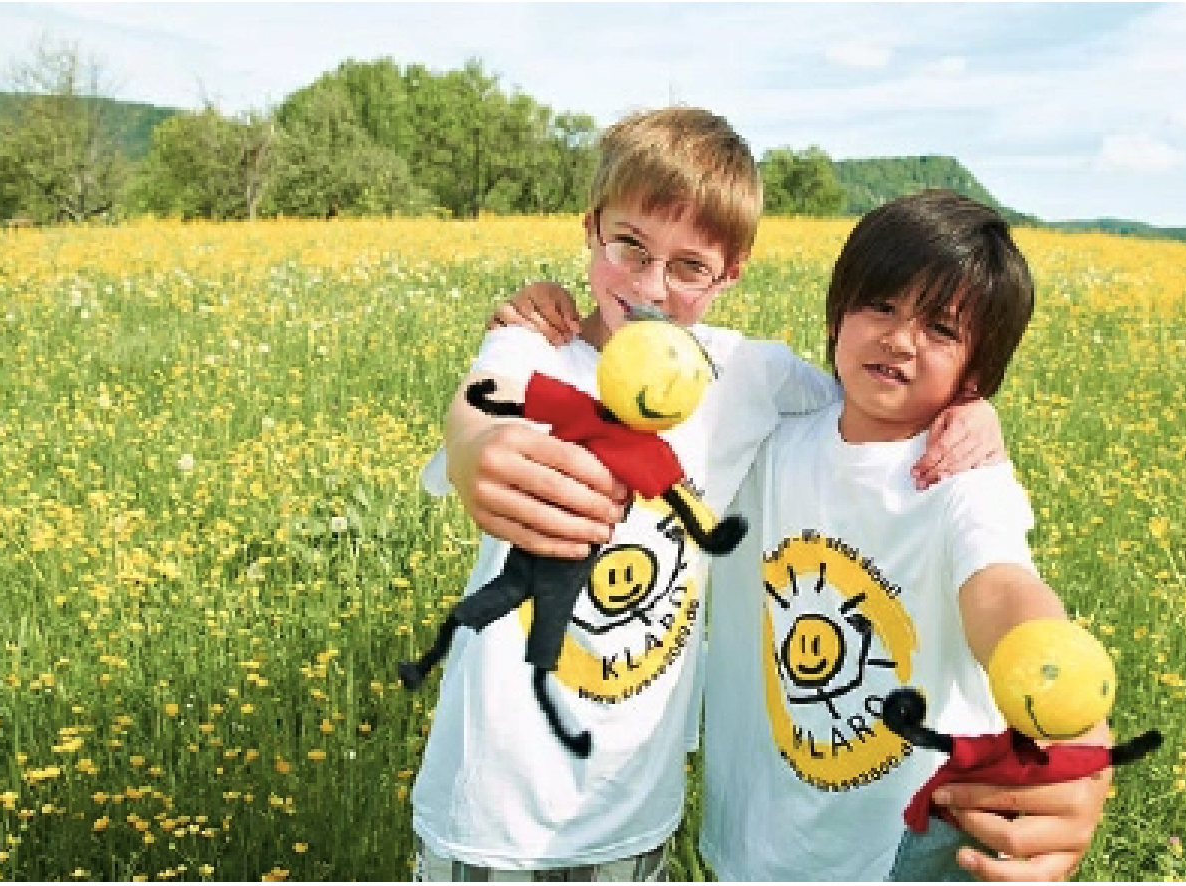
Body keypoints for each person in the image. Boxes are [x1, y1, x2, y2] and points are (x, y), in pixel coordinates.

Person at [410, 107, 1005, 881]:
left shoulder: (747, 378)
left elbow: (870, 401)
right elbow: (478, 405)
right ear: (592, 229)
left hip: (635, 815)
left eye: (691, 266)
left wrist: (972, 405)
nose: (652, 286)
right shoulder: (533, 349)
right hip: (493, 814)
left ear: (730, 274)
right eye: (630, 246)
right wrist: (473, 451)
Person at [696, 190, 1114, 881]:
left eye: (941, 330)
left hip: (904, 839)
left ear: (977, 373)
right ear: (837, 316)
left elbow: (1004, 589)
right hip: (762, 829)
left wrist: (1066, 711)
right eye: (881, 307)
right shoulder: (772, 435)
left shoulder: (963, 479)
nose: (899, 340)